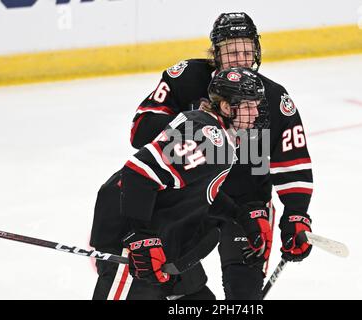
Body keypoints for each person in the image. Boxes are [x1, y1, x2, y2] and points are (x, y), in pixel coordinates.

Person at [91, 12, 314, 300]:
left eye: (246, 49)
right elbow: (140, 147)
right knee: (153, 282)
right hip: (181, 203)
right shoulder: (192, 91)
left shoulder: (269, 97)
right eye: (231, 50)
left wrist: (295, 213)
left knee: (241, 294)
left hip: (237, 204)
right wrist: (196, 125)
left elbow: (293, 161)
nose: (240, 57)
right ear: (215, 53)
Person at [91, 67, 272, 299]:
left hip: (168, 247)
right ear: (227, 108)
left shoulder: (219, 135)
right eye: (249, 105)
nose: (256, 112)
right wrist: (140, 235)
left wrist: (239, 215)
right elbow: (138, 174)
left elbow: (197, 191)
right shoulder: (207, 137)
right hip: (133, 246)